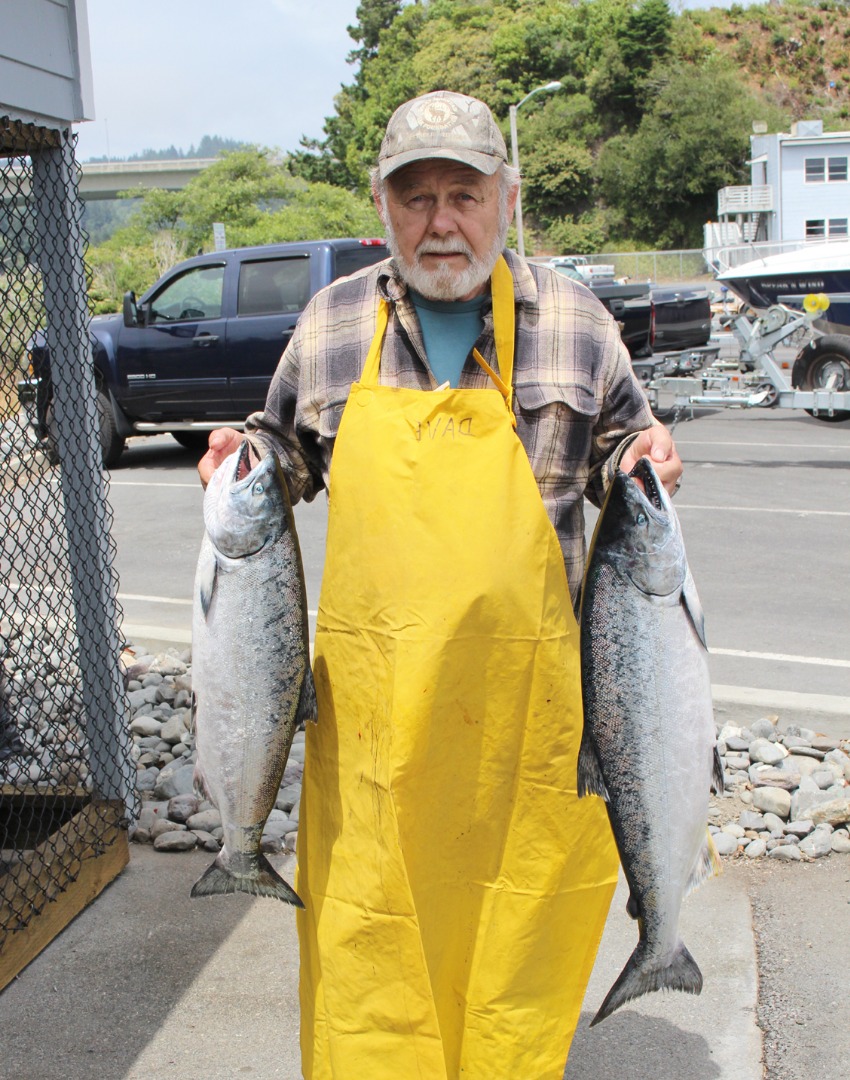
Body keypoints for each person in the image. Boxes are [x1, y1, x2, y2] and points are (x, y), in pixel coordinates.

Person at [200, 90, 682, 1080]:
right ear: (382, 209)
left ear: (504, 197)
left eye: (462, 192)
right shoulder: (334, 322)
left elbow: (622, 447)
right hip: (375, 727)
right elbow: (282, 450)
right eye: (413, 197)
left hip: (527, 730)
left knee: (511, 956)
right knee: (371, 954)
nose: (439, 220)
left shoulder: (577, 323)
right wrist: (238, 457)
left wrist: (648, 457)